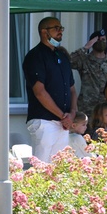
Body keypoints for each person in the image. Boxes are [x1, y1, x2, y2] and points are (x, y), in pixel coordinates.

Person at [22, 17, 77, 163]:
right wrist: (63, 116)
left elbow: (72, 89)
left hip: (62, 123)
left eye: (61, 28)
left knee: (59, 169)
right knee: (42, 168)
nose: (60, 31)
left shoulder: (62, 56)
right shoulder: (35, 56)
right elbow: (39, 92)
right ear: (44, 32)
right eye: (56, 28)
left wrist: (72, 114)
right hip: (44, 121)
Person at [70, 28, 107, 121]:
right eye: (98, 40)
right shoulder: (84, 60)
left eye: (103, 40)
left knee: (105, 135)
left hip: (106, 109)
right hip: (87, 108)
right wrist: (86, 47)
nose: (101, 42)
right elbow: (68, 61)